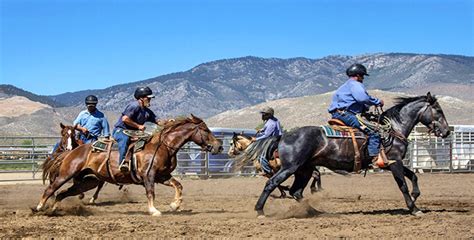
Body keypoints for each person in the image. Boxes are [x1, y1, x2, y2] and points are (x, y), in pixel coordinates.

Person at [328, 63, 390, 167]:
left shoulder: (345, 86)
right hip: (346, 115)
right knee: (373, 131)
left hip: (338, 114)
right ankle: (374, 159)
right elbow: (362, 98)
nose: (363, 78)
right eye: (363, 76)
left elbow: (356, 101)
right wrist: (377, 101)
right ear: (358, 75)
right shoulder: (355, 84)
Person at [113, 86, 169, 172]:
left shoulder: (147, 111)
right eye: (148, 98)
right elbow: (125, 119)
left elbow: (158, 121)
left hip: (134, 133)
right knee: (124, 140)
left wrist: (168, 122)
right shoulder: (134, 106)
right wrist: (138, 126)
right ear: (141, 98)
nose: (150, 100)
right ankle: (123, 163)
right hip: (121, 131)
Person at [251, 107, 283, 176]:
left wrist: (255, 139)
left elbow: (266, 135)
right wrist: (262, 130)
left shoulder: (271, 123)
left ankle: (267, 170)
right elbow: (267, 129)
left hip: (273, 139)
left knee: (262, 155)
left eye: (264, 114)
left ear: (269, 115)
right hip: (277, 138)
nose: (262, 116)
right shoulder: (273, 120)